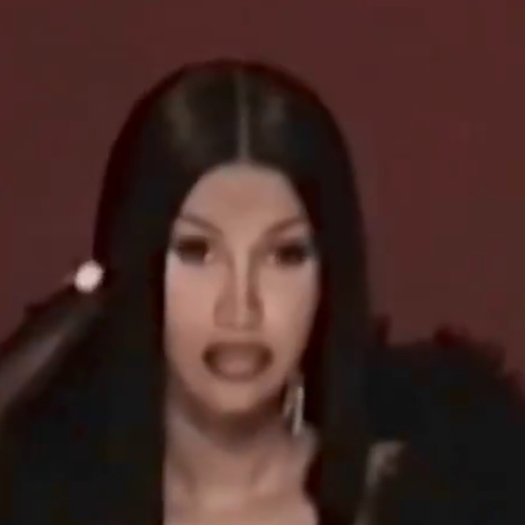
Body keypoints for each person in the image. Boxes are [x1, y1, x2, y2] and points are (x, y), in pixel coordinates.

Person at [0, 59, 524, 525]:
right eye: (198, 252)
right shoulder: (40, 502)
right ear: (135, 265)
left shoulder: (434, 499)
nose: (240, 308)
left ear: (330, 275)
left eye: (285, 255)